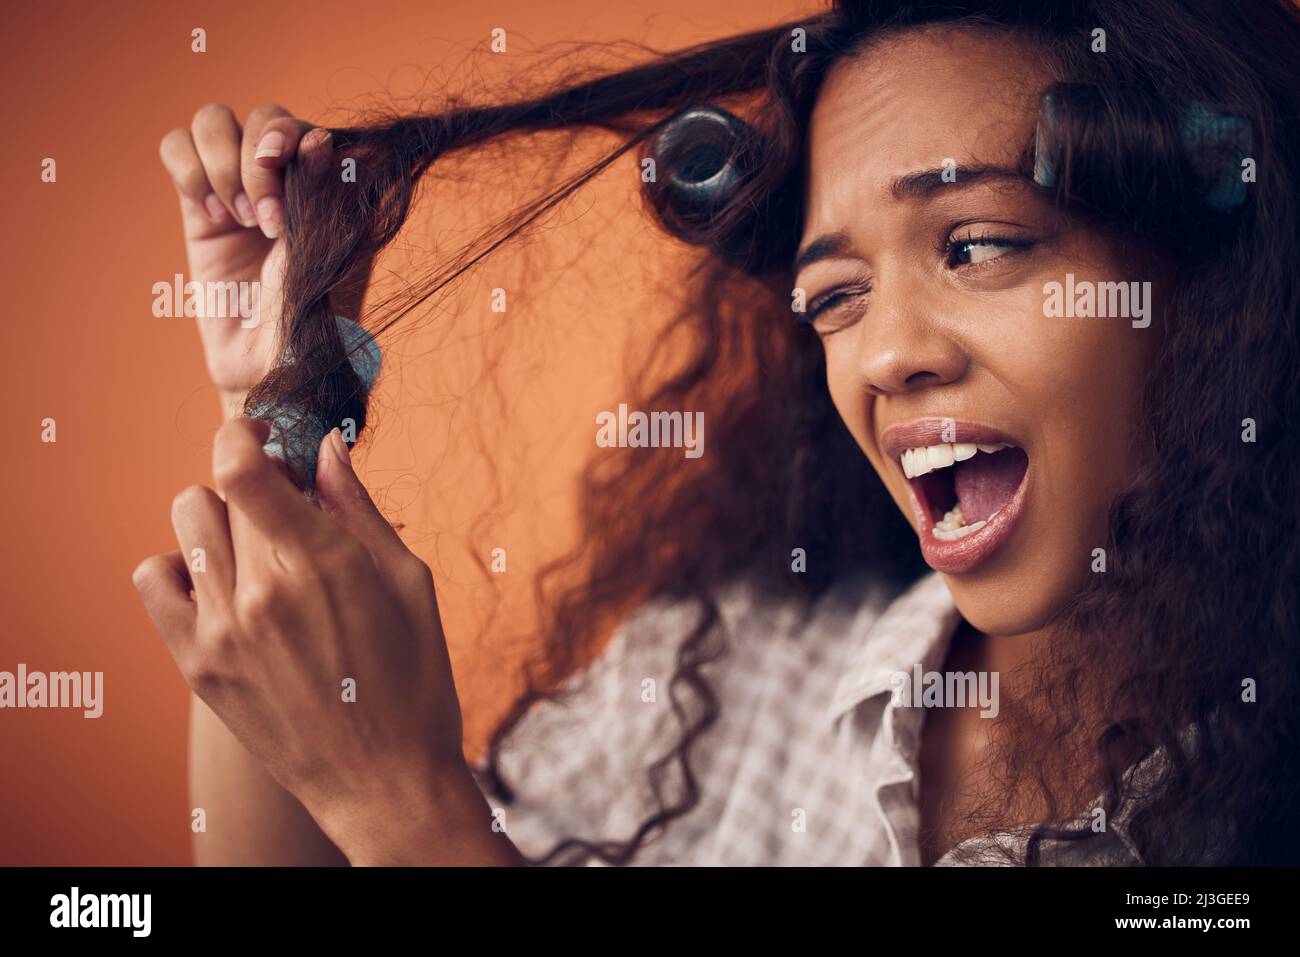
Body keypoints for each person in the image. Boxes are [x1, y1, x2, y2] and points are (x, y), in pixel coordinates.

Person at [136, 0, 1300, 866]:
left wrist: (410, 807)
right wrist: (285, 392)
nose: (888, 354)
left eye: (978, 245)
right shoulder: (727, 670)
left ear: (1214, 290)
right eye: (834, 296)